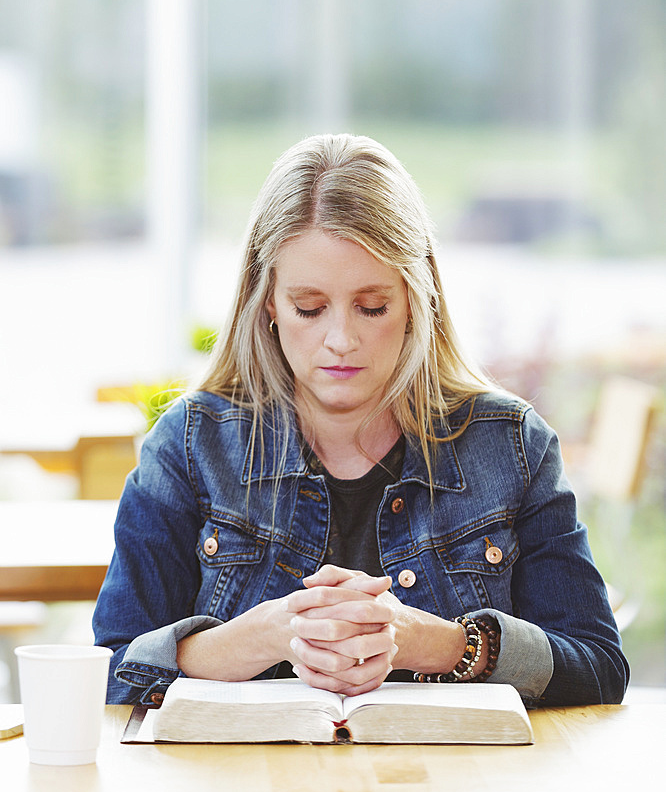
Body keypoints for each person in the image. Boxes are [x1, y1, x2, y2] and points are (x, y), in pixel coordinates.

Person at [93, 133, 629, 707]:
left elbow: (598, 668)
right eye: (309, 307)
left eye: (372, 307)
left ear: (415, 299)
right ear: (267, 300)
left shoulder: (510, 447)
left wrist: (440, 644)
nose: (341, 340)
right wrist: (261, 638)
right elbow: (110, 671)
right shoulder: (191, 446)